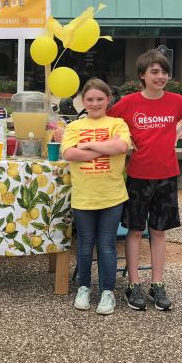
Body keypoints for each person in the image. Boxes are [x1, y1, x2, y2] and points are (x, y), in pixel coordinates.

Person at [107, 49, 182, 311]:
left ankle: (157, 283)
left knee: (158, 231)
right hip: (138, 176)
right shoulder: (130, 103)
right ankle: (133, 284)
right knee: (134, 230)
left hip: (167, 175)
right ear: (142, 76)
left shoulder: (177, 101)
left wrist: (173, 136)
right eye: (154, 72)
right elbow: (109, 122)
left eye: (164, 72)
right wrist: (127, 140)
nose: (161, 76)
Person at [61, 78, 130, 315]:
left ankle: (107, 292)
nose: (94, 103)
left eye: (99, 98)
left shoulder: (117, 123)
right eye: (90, 99)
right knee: (84, 244)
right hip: (84, 195)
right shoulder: (73, 127)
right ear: (83, 101)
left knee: (107, 245)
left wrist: (88, 145)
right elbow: (70, 153)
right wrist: (103, 147)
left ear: (108, 99)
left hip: (112, 195)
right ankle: (83, 288)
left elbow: (121, 147)